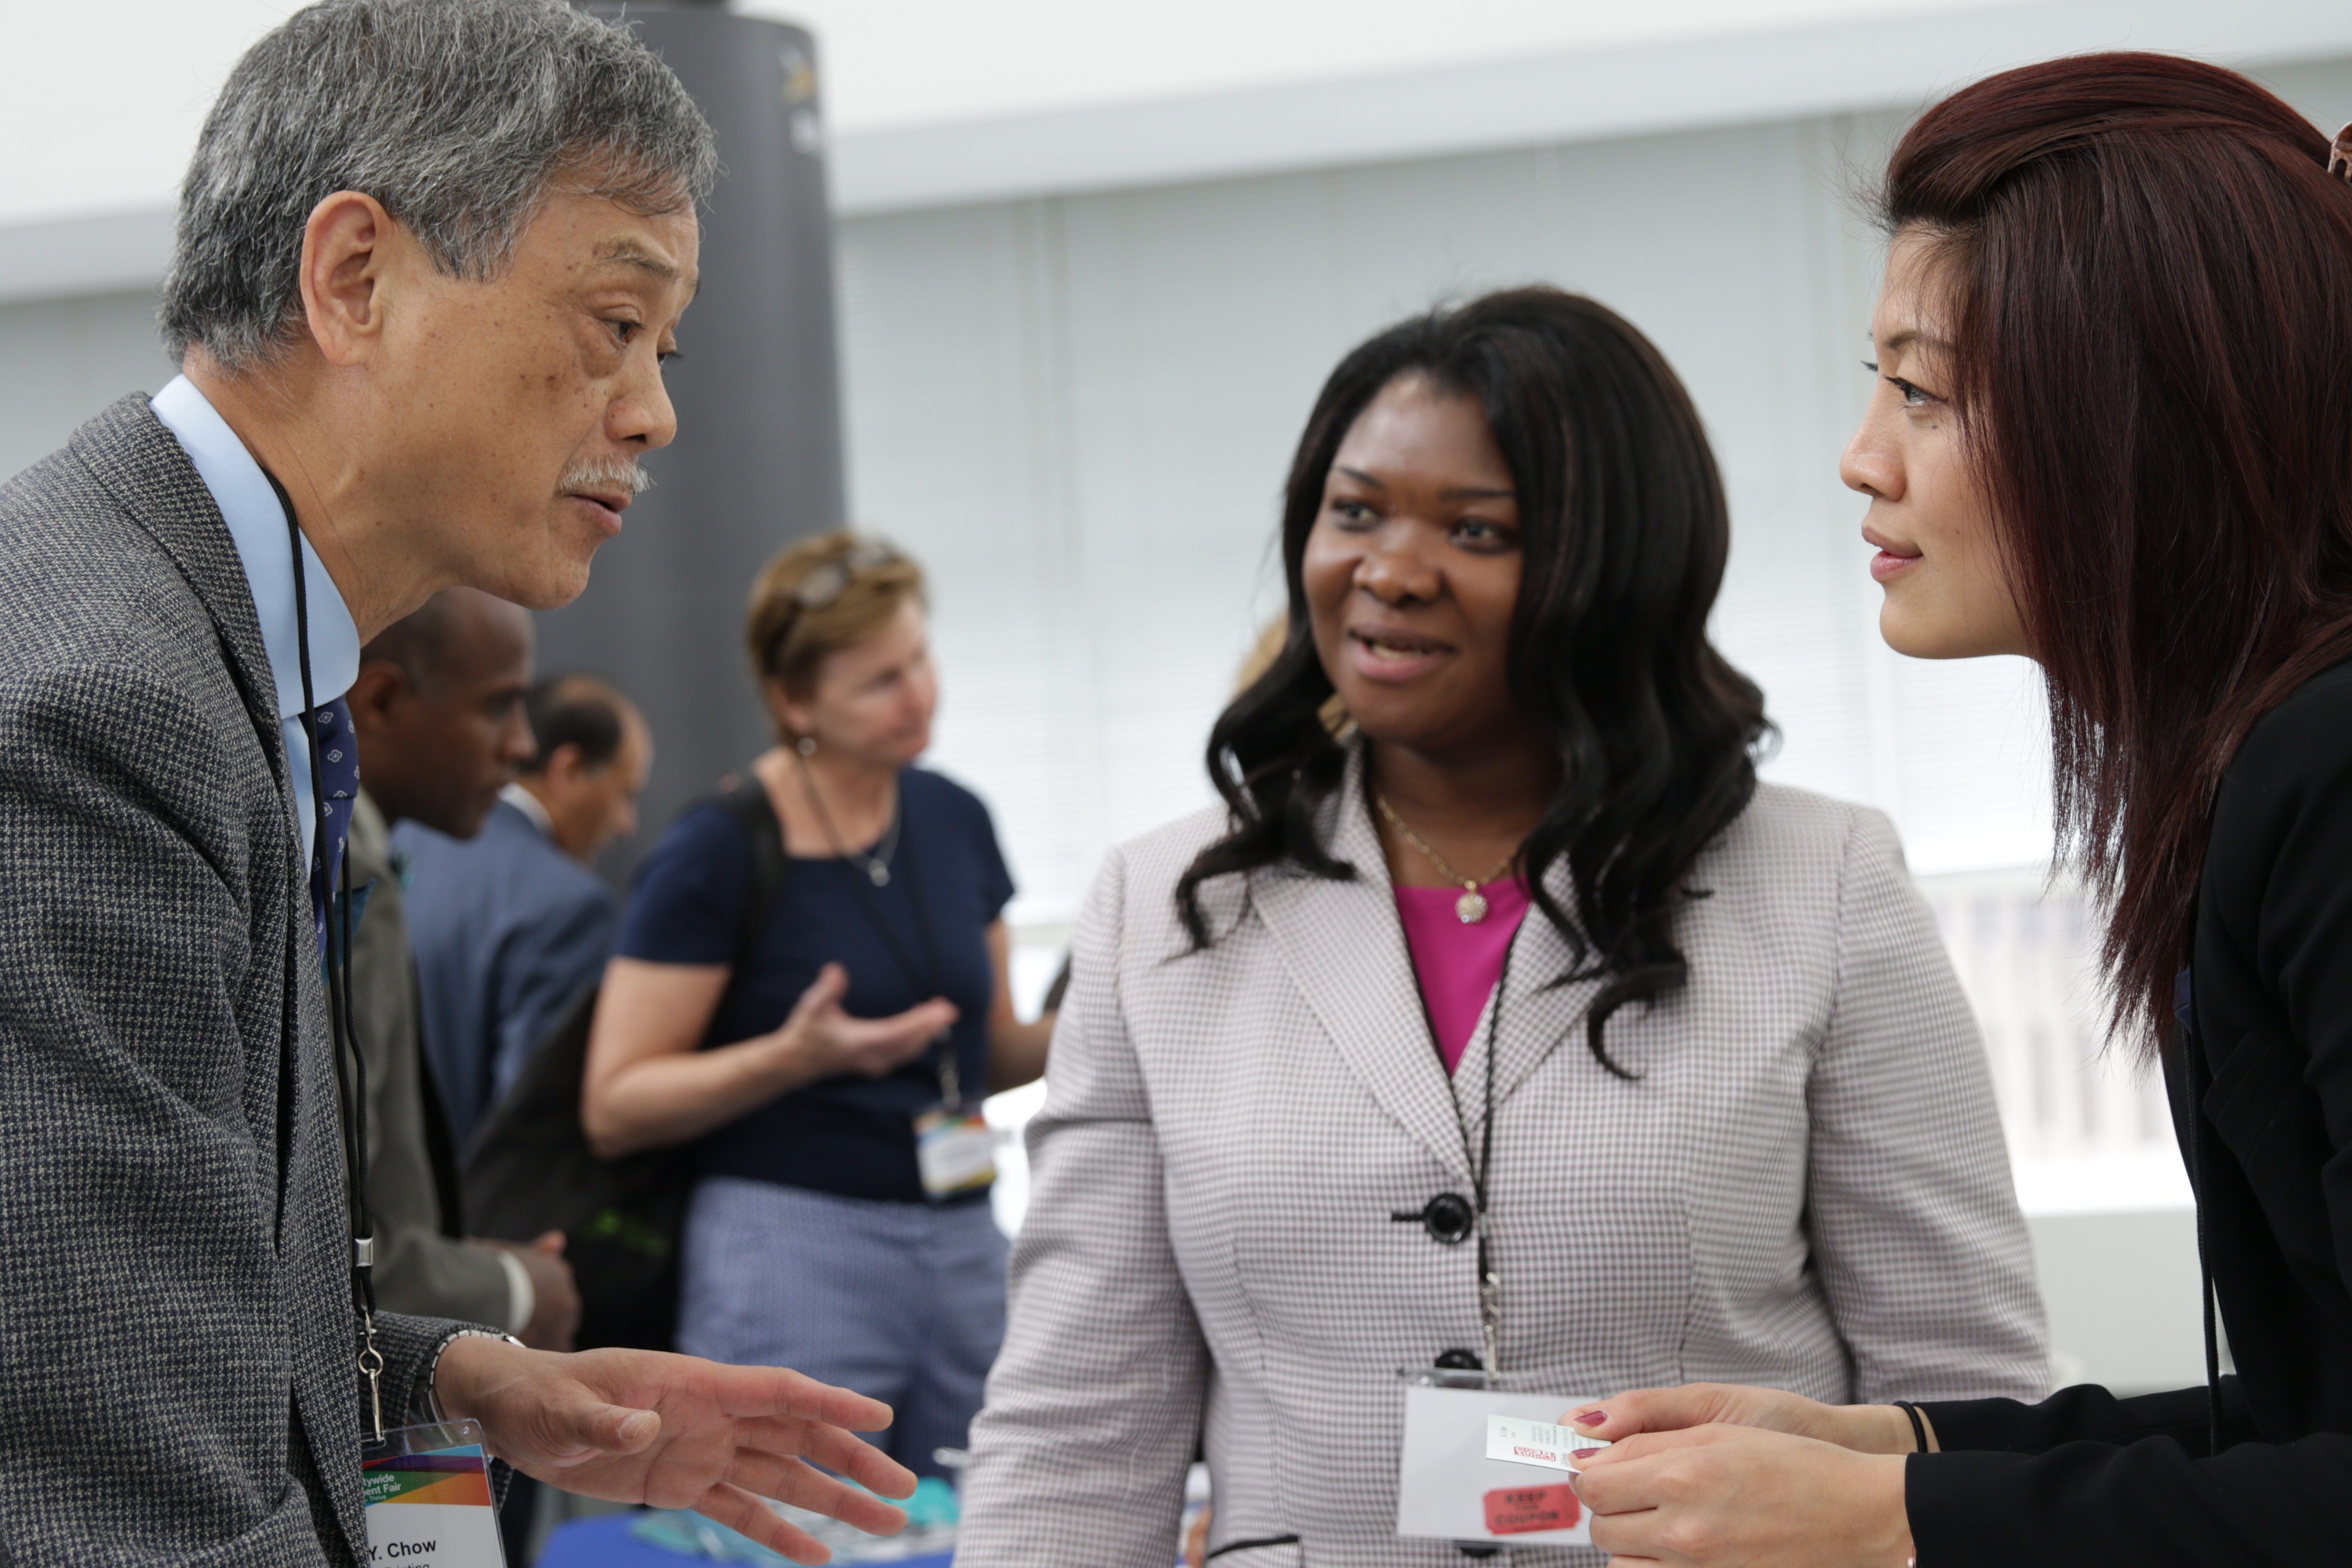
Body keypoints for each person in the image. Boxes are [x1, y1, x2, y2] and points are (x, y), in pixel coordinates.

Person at [0, 3, 914, 1560]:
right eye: (612, 323)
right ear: (357, 279)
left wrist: (457, 1373)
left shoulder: (224, 654)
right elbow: (112, 1473)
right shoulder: (97, 709)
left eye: (665, 347)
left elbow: (169, 1298)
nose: (654, 410)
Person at [954, 288, 2049, 1567]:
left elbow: (1957, 1387)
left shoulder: (1822, 882)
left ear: (1616, 564)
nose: (1389, 571)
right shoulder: (1161, 907)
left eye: (1474, 530)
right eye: (1354, 512)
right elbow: (1075, 1431)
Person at [1564, 54, 2352, 1568]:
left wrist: (1888, 1519)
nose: (1862, 456)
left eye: (1920, 391)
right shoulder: (2261, 762)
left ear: (2131, 422)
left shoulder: (2323, 771)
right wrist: (1891, 1446)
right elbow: (2312, 1412)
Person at [582, 530, 1056, 1476]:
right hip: (792, 1245)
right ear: (795, 701)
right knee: (802, 1522)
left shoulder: (956, 818)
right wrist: (795, 1057)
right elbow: (615, 1105)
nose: (919, 694)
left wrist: (1113, 1009)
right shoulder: (719, 848)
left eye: (919, 659)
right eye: (881, 681)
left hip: (964, 1233)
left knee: (996, 1512)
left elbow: (990, 1049)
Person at [348, 588, 578, 1348]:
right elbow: (329, 1233)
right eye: (497, 706)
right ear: (380, 701)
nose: (521, 745)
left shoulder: (358, 863)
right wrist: (517, 1288)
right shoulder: (345, 881)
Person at [398, 671, 652, 1147]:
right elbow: (532, 1122)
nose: (625, 824)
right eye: (626, 794)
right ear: (570, 769)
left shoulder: (403, 844)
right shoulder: (569, 906)